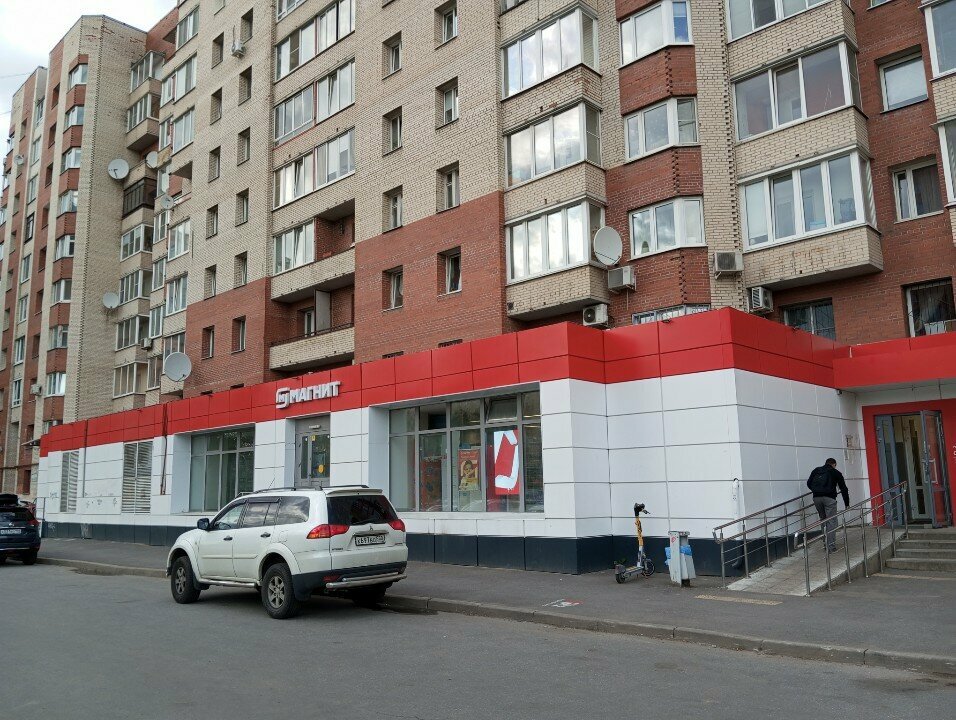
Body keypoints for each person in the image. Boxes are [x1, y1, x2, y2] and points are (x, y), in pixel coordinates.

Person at [807, 458, 849, 553]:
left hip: (816, 498)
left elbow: (809, 483)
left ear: (826, 463)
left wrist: (817, 491)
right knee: (831, 522)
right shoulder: (836, 472)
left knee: (823, 520)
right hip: (829, 498)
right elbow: (843, 488)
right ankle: (831, 547)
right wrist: (847, 503)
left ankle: (825, 543)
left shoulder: (816, 470)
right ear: (833, 464)